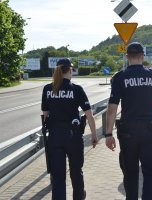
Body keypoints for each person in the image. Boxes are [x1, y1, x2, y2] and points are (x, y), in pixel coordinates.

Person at [105, 42, 152, 200]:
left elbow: (112, 108)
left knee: (130, 172)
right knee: (150, 173)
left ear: (127, 57)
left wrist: (108, 134)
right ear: (142, 56)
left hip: (128, 132)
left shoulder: (120, 77)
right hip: (150, 129)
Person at [41, 58, 98, 200]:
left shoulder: (48, 89)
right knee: (75, 171)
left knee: (58, 175)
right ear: (70, 70)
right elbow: (89, 115)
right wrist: (94, 135)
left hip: (54, 136)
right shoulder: (76, 89)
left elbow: (45, 114)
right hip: (73, 136)